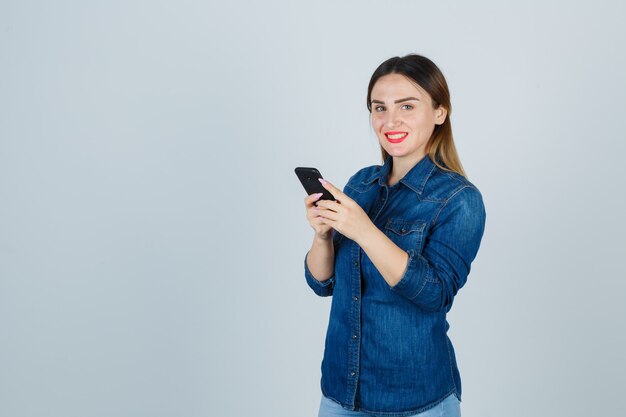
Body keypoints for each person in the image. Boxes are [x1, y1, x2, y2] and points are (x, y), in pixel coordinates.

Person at [302, 54, 486, 417]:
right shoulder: (361, 183)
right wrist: (322, 235)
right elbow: (322, 283)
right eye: (379, 108)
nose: (391, 120)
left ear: (439, 112)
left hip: (414, 399)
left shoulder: (460, 200)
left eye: (407, 105)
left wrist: (364, 230)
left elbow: (434, 293)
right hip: (340, 390)